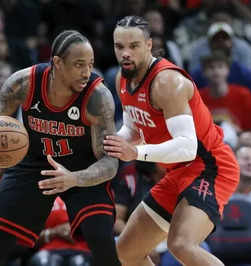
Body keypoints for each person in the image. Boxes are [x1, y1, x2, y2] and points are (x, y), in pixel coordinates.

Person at [0, 30, 121, 266]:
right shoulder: (24, 83)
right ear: (58, 63)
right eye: (79, 64)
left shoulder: (98, 97)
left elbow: (111, 163)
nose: (86, 72)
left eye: (90, 64)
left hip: (84, 167)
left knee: (101, 240)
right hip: (36, 163)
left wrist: (74, 178)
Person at [103, 16, 240, 266]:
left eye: (133, 46)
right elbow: (134, 127)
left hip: (211, 167)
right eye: (119, 46)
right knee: (126, 251)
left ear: (148, 45)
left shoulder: (167, 82)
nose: (125, 53)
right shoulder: (122, 79)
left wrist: (135, 152)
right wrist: (111, 143)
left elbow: (187, 147)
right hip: (177, 171)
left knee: (181, 244)